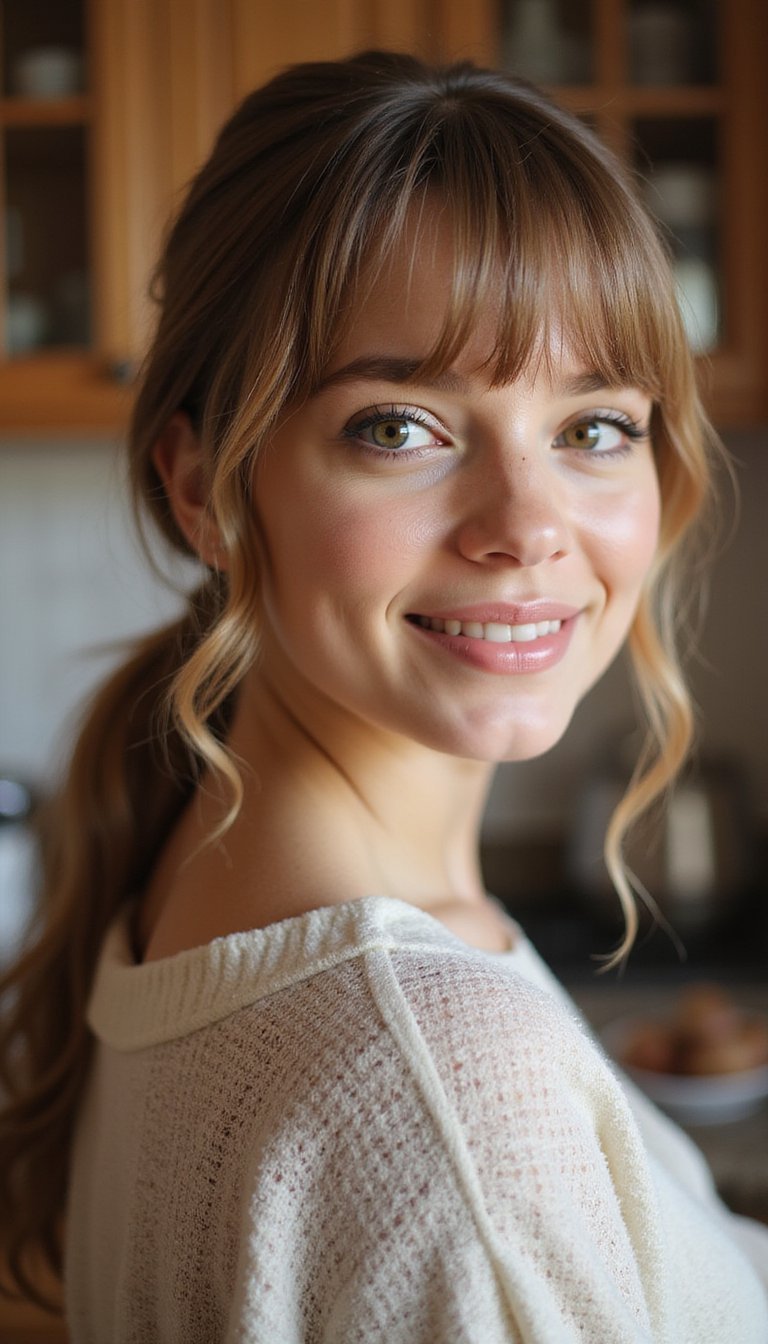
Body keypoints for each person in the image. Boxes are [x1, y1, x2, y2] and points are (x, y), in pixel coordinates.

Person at [1, 50, 766, 1344]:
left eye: (593, 427)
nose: (528, 527)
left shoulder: (209, 877)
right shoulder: (447, 1089)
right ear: (203, 489)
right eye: (401, 426)